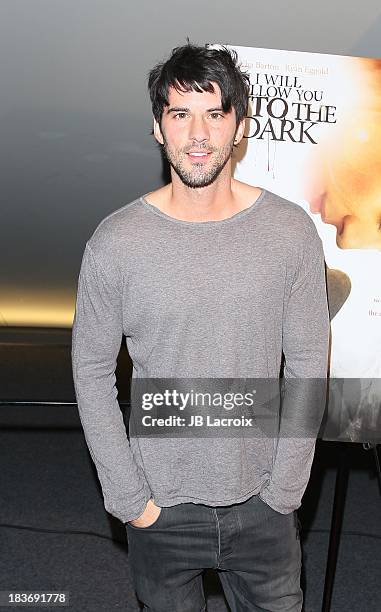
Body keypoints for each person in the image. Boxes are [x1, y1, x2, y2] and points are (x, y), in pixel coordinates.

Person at [72, 43, 330, 612]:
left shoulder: (290, 234)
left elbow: (310, 364)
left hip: (265, 505)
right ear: (157, 128)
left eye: (215, 114)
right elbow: (90, 373)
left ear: (240, 127)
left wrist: (286, 490)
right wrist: (131, 498)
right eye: (179, 114)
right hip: (159, 506)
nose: (198, 134)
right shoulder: (115, 243)